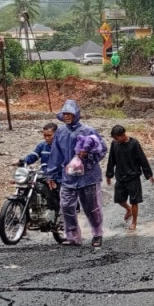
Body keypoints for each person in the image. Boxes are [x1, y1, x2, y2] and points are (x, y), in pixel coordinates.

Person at [45, 100, 107, 248]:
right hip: (69, 176)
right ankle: (73, 236)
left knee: (92, 207)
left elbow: (102, 149)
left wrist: (88, 156)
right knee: (66, 205)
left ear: (76, 114)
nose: (66, 116)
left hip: (88, 176)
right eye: (64, 113)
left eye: (69, 114)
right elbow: (55, 154)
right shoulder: (60, 131)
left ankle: (97, 233)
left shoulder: (88, 131)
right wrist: (51, 174)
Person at [106, 125, 154, 231]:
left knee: (134, 201)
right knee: (119, 199)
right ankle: (128, 209)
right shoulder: (114, 144)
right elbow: (111, 159)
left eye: (117, 138)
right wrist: (109, 175)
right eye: (114, 138)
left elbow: (142, 159)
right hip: (120, 176)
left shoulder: (134, 144)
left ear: (123, 135)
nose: (115, 140)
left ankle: (134, 222)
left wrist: (149, 174)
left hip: (133, 177)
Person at [14, 122, 59, 211]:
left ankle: (61, 215)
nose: (46, 138)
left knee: (60, 195)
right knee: (28, 184)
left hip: (58, 176)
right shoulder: (42, 146)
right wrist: (21, 161)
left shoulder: (62, 147)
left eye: (49, 135)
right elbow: (33, 156)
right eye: (45, 135)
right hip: (44, 174)